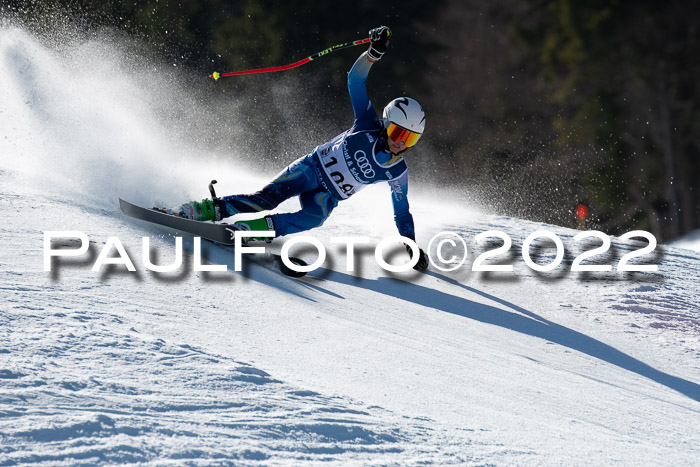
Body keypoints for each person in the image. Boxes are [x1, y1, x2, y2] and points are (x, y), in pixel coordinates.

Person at [172, 26, 429, 271]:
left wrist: (410, 243)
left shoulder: (396, 171)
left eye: (411, 139)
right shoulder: (367, 123)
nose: (401, 143)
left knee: (315, 217)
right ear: (386, 124)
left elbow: (402, 210)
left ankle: (249, 232)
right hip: (310, 169)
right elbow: (355, 80)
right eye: (398, 133)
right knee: (266, 199)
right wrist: (373, 54)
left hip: (327, 196)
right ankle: (202, 210)